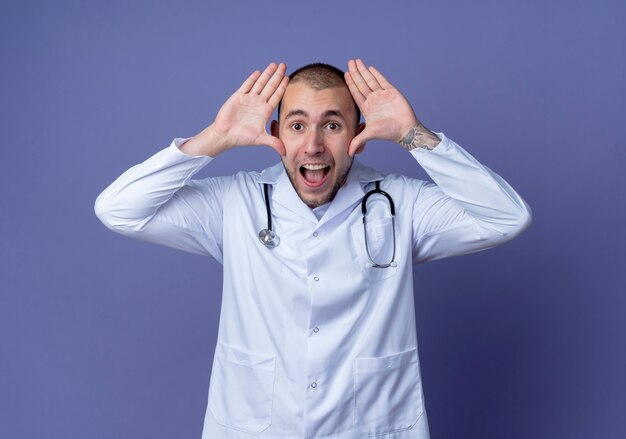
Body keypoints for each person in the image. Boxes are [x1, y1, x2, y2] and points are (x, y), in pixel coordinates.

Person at [94, 59, 532, 439]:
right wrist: (216, 137)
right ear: (274, 131)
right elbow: (119, 210)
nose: (314, 145)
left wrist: (411, 134)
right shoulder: (236, 202)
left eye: (333, 125)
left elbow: (506, 217)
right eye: (298, 124)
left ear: (358, 133)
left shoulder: (401, 202)